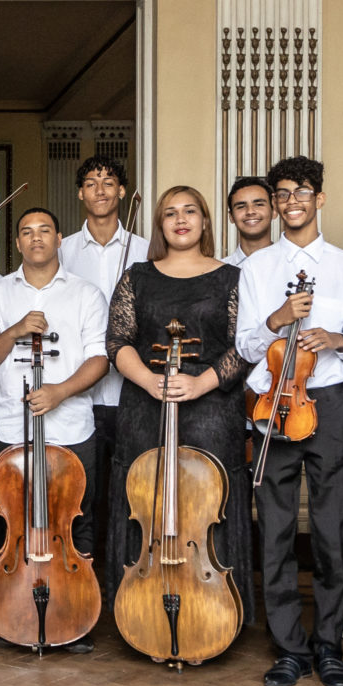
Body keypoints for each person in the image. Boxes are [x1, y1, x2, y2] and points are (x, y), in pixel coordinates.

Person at [235, 156, 343, 686]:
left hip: (328, 401)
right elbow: (245, 345)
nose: (292, 202)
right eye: (283, 193)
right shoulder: (257, 268)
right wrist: (277, 320)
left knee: (333, 530)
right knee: (277, 529)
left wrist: (336, 339)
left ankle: (328, 644)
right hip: (273, 403)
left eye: (302, 192)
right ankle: (289, 646)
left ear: (320, 199)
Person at [109, 186, 251, 627]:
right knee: (146, 502)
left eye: (190, 211)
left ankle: (213, 617)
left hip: (212, 412)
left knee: (209, 507)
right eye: (170, 213)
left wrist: (201, 383)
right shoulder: (137, 276)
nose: (181, 219)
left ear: (205, 221)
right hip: (144, 407)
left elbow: (245, 346)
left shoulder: (232, 278)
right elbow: (117, 341)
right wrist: (149, 380)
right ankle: (143, 613)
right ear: (160, 225)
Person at [0, 207, 111, 646]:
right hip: (10, 428)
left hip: (71, 426)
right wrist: (15, 330)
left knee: (76, 525)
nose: (36, 238)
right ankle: (5, 613)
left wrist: (59, 391)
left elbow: (100, 359)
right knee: (7, 524)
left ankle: (77, 617)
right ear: (17, 242)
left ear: (59, 238)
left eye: (44, 230)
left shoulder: (86, 294)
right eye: (27, 232)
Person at [60, 155, 148, 575]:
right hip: (79, 395)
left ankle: (125, 579)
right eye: (91, 183)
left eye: (109, 182)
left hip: (132, 394)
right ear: (80, 193)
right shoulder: (60, 251)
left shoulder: (146, 251)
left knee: (130, 495)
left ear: (122, 192)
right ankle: (83, 580)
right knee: (82, 497)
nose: (100, 190)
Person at [224, 176, 275, 266]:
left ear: (274, 211)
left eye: (259, 204)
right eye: (241, 206)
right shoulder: (219, 270)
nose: (250, 211)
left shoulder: (293, 265)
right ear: (231, 216)